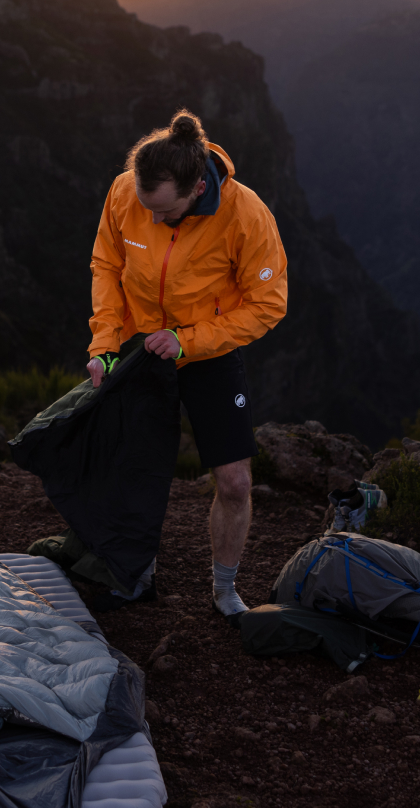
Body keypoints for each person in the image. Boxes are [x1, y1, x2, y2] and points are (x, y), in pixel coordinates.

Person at [85, 109, 289, 625]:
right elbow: (107, 266)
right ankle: (134, 574)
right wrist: (105, 344)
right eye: (144, 208)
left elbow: (268, 303)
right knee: (132, 468)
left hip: (207, 351)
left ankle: (224, 591)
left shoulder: (246, 214)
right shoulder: (126, 192)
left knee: (236, 481)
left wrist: (187, 341)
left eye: (165, 213)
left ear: (198, 189)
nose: (151, 220)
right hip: (137, 346)